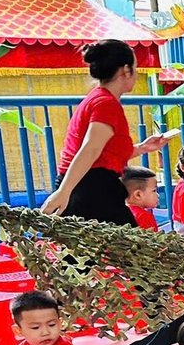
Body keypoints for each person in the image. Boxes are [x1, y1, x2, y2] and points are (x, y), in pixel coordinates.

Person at [41, 39, 176, 223]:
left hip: (90, 187)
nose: (136, 73)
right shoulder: (105, 104)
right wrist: (64, 192)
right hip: (91, 191)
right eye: (135, 68)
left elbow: (104, 154)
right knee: (129, 240)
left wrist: (143, 148)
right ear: (126, 70)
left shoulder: (100, 99)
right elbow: (91, 149)